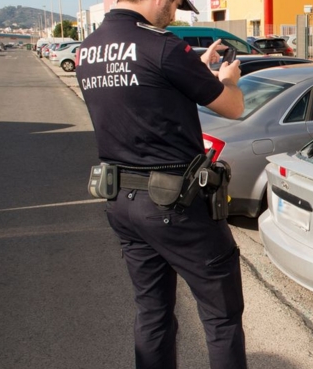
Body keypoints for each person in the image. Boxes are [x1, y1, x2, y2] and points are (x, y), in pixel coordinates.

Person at [74, 0, 246, 367]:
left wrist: (194, 70)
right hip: (175, 204)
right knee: (222, 317)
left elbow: (142, 96)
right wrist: (228, 80)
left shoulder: (87, 49)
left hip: (121, 199)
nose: (175, 11)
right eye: (174, 3)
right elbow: (233, 107)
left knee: (152, 313)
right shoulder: (163, 45)